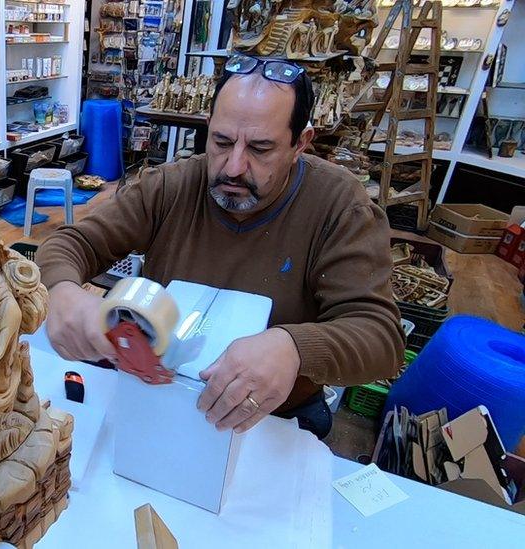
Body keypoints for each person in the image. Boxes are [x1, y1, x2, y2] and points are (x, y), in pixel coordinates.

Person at [36, 55, 405, 439]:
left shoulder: (339, 207)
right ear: (208, 127)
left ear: (301, 144)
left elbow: (381, 336)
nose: (233, 167)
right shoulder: (173, 186)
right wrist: (62, 291)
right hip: (163, 396)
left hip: (273, 417)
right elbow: (71, 244)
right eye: (222, 141)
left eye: (261, 148)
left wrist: (294, 348)